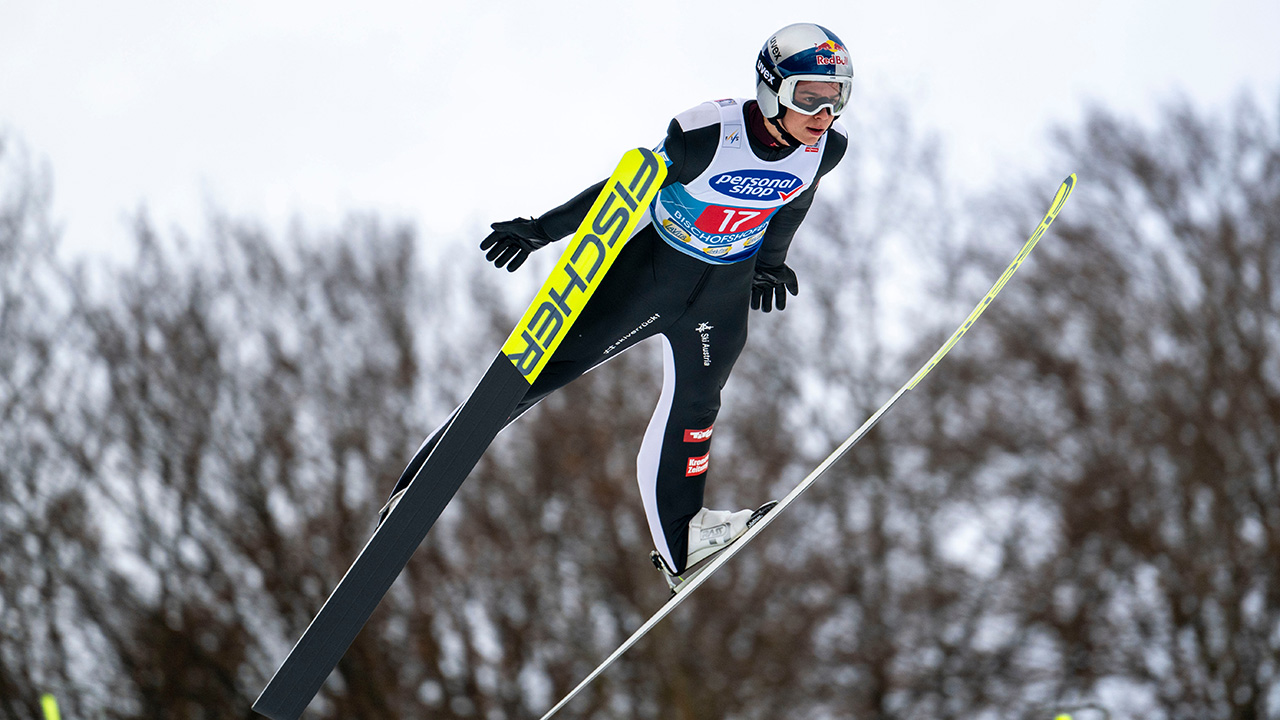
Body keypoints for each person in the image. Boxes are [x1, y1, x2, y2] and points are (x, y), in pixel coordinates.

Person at [383, 22, 852, 593]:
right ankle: (420, 483)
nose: (823, 113)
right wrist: (542, 229)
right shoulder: (704, 134)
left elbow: (794, 198)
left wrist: (771, 263)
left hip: (722, 293)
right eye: (810, 96)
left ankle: (682, 541)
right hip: (652, 276)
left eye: (836, 98)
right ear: (772, 87)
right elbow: (623, 189)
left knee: (698, 407)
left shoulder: (825, 149)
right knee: (540, 371)